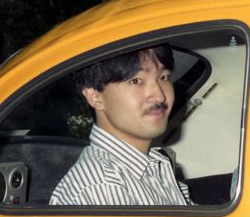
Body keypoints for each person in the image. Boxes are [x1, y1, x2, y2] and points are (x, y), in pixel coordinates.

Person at [50, 45, 191, 206]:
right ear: (95, 97)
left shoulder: (150, 166)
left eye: (164, 77)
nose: (159, 96)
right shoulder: (103, 186)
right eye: (136, 81)